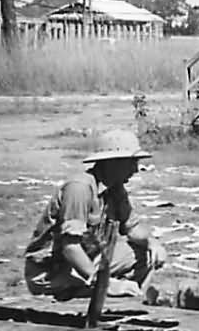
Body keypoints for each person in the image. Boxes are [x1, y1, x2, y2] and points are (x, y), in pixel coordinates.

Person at [24, 128, 167, 300]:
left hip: (87, 260)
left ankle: (130, 300)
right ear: (113, 162)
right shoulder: (80, 188)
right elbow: (70, 247)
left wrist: (152, 242)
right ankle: (96, 294)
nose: (135, 170)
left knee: (145, 254)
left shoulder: (115, 188)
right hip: (54, 271)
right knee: (103, 283)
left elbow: (132, 227)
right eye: (131, 163)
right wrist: (103, 283)